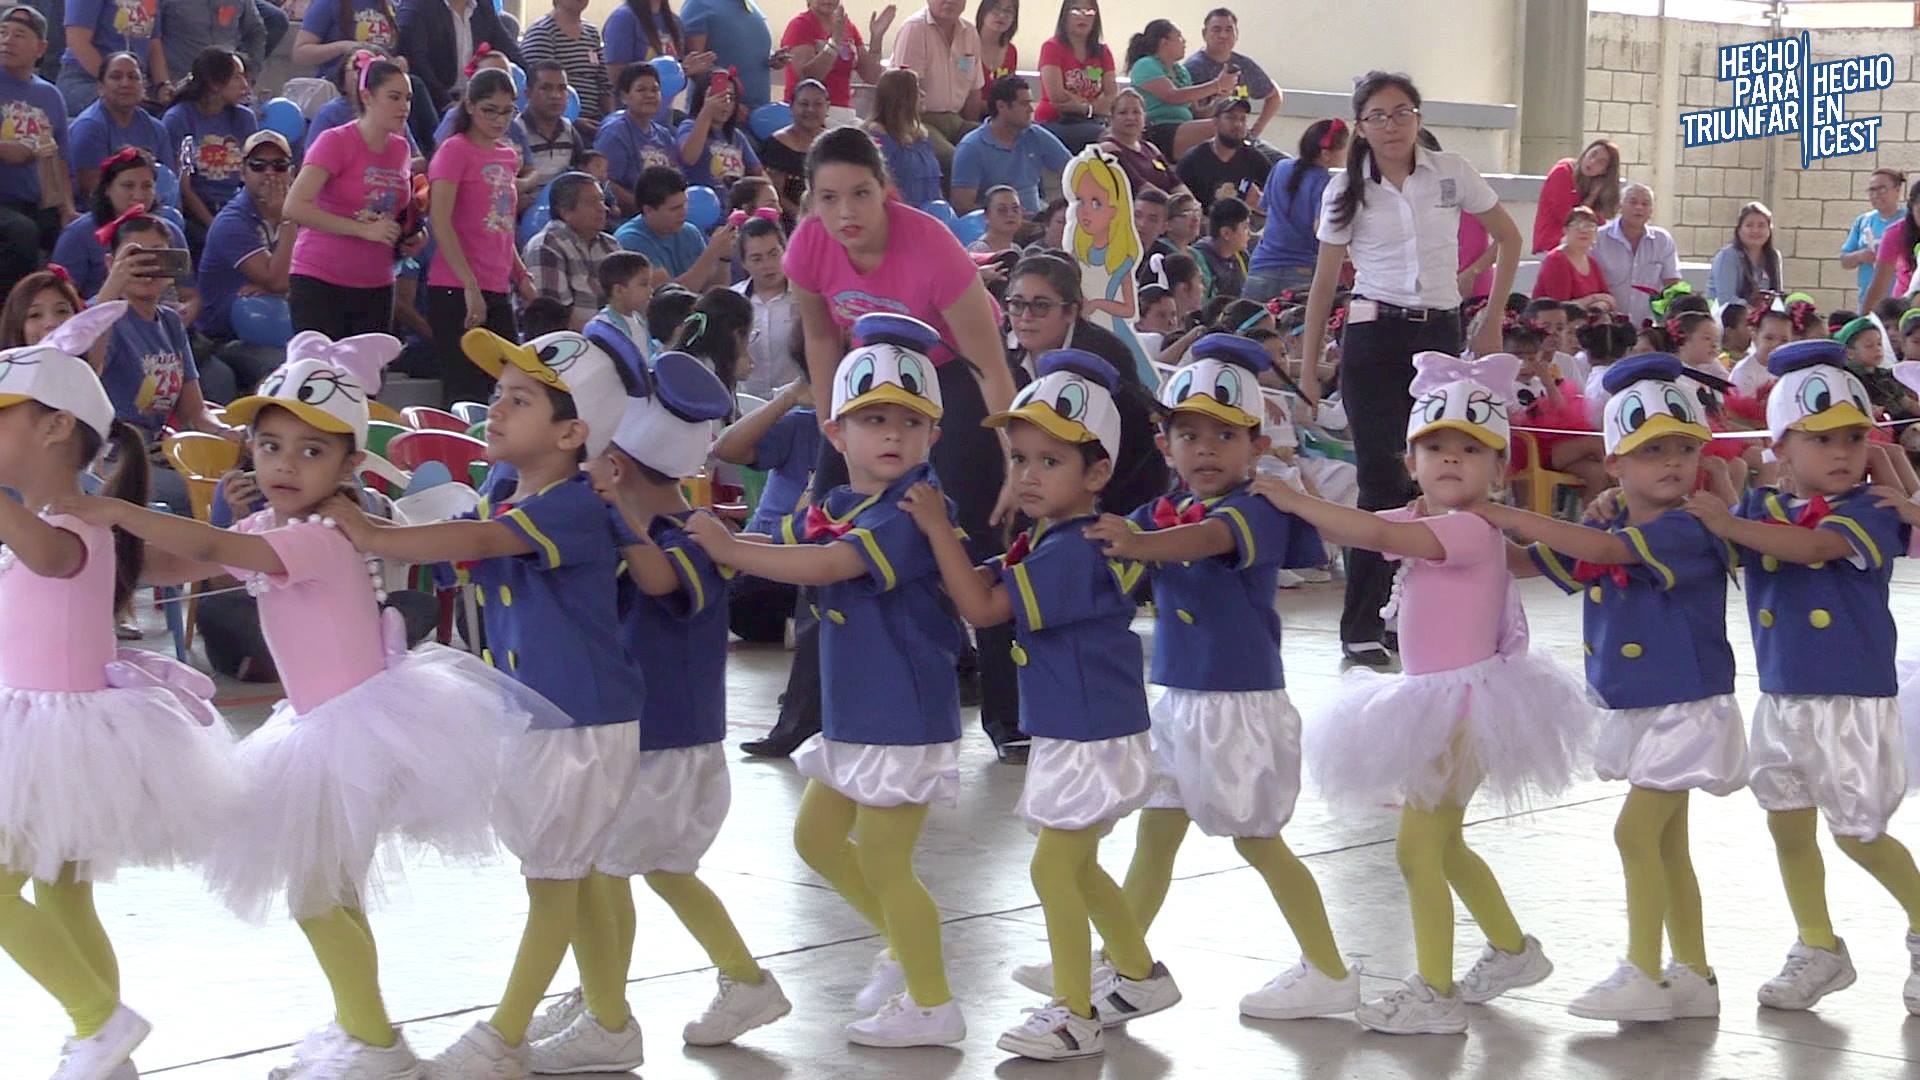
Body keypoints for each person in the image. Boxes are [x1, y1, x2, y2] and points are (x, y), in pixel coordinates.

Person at [67, 334, 550, 1079]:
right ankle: (364, 1031)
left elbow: (206, 546)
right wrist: (84, 552)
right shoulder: (272, 528)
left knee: (317, 900)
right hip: (321, 724)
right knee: (334, 897)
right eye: (269, 447)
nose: (284, 466)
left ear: (349, 465)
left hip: (356, 731)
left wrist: (112, 511)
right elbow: (181, 561)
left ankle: (379, 1045)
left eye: (310, 451)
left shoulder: (322, 538)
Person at [328, 324, 651, 1078]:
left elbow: (472, 545)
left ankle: (501, 1037)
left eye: (521, 400)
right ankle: (609, 1023)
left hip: (580, 722)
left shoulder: (570, 505)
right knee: (573, 875)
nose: (497, 409)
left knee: (554, 881)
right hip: (543, 715)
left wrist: (368, 531)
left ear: (572, 433)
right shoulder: (509, 491)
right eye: (498, 394)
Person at [1263, 351, 1589, 1033]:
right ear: (1411, 462)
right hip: (1442, 703)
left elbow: (1376, 532)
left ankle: (1435, 994)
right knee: (1445, 844)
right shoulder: (1430, 519)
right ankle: (1511, 950)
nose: (1451, 460)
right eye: (1435, 448)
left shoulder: (1468, 528)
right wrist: (1292, 512)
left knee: (1417, 850)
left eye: (1470, 450)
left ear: (1498, 469)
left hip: (1462, 708)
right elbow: (1368, 528)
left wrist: (1293, 499)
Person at [685, 314, 969, 1049]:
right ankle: (904, 946)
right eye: (873, 419)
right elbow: (789, 539)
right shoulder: (845, 504)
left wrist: (731, 552)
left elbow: (828, 565)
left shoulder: (914, 509)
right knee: (816, 839)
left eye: (910, 421)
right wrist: (722, 540)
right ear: (835, 433)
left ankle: (933, 1002)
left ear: (933, 435)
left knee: (884, 860)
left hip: (901, 714)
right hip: (856, 714)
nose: (892, 434)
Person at [1053, 334, 1354, 1026]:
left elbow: (1207, 542)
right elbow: (1105, 542)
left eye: (1224, 435)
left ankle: (1330, 971)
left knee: (1258, 840)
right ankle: (1120, 961)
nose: (1206, 449)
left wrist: (1138, 545)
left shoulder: (1255, 508)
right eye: (1189, 434)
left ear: (1256, 445)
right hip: (1180, 701)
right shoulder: (1163, 510)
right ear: (1165, 445)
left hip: (1237, 706)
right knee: (1154, 836)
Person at [512, 351, 793, 1062]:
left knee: (610, 868)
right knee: (647, 867)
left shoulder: (693, 535)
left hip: (671, 739)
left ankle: (626, 1009)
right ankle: (627, 991)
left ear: (616, 467)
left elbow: (661, 581)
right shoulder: (628, 530)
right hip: (642, 734)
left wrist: (615, 516)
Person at [909, 349, 1177, 1060]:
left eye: (1050, 461)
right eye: (1020, 458)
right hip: (1079, 728)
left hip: (1091, 734)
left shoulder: (1070, 552)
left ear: (1096, 474)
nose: (1028, 475)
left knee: (1052, 870)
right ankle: (1138, 974)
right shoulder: (1050, 538)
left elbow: (984, 610)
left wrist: (936, 530)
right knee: (1077, 865)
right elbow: (991, 580)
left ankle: (1073, 1014)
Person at [0, 301, 232, 1080]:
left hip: (56, 737)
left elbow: (47, 559)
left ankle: (97, 1022)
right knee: (65, 896)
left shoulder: (74, 526)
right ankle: (103, 1048)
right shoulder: (47, 520)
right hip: (39, 727)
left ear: (55, 428)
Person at [1481, 354, 1739, 1023]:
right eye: (1652, 450)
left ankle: (1643, 972)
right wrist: (1447, 538)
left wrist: (1501, 511)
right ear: (1616, 461)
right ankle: (1694, 975)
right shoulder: (1611, 521)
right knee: (1668, 844)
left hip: (1686, 705)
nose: (1673, 462)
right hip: (1641, 702)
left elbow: (1602, 555)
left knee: (1635, 835)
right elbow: (1541, 561)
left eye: (1684, 448)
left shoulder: (1688, 525)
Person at [1682, 340, 1920, 1015]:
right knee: (1786, 824)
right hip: (1782, 694)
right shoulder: (1759, 509)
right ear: (1781, 446)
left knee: (1858, 833)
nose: (1842, 452)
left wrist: (1729, 523)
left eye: (1853, 438)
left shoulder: (1873, 509)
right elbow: (1708, 543)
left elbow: (1814, 547)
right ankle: (1818, 945)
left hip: (1851, 699)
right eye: (1821, 439)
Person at [781, 128, 1019, 761]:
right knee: (824, 523)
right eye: (829, 198)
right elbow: (822, 341)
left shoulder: (932, 245)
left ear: (884, 189)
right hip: (868, 381)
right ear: (811, 200)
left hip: (953, 372)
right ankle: (800, 716)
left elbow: (990, 365)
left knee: (982, 529)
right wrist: (831, 430)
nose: (846, 213)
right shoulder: (809, 245)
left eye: (860, 194)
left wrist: (1013, 463)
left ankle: (1008, 717)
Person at [1299, 70, 1520, 668]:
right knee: (1381, 479)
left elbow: (1509, 238)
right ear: (1361, 127)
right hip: (1373, 335)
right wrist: (1308, 369)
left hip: (1440, 332)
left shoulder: (1451, 172)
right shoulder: (1345, 190)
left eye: (1402, 113)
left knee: (1433, 479)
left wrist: (1491, 317)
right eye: (1377, 116)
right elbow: (1323, 284)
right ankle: (1361, 624)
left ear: (1418, 118)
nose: (1391, 126)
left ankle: (1410, 611)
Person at [285, 52, 415, 339]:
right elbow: (294, 206)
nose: (404, 107)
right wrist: (361, 229)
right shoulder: (335, 141)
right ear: (367, 97)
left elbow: (394, 208)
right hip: (322, 277)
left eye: (408, 98)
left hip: (377, 280)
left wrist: (411, 234)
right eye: (394, 97)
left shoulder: (401, 148)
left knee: (370, 366)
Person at [426, 66, 531, 408]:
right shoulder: (455, 150)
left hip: (497, 284)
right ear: (470, 106)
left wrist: (520, 274)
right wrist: (469, 284)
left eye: (507, 111)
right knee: (465, 391)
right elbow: (440, 221)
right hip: (455, 286)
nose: (499, 120)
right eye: (490, 110)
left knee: (508, 387)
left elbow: (502, 224)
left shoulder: (507, 155)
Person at [192, 131, 292, 385]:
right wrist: (289, 220)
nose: (270, 173)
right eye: (258, 165)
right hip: (225, 338)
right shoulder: (232, 222)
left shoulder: (305, 211)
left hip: (283, 323)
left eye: (279, 165)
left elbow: (312, 276)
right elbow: (279, 280)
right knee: (286, 369)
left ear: (291, 172)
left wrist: (280, 288)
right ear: (243, 172)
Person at [0, 3, 72, 294]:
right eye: (3, 33)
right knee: (22, 233)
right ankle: (11, 311)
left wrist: (67, 209)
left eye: (19, 35)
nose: (7, 40)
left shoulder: (50, 95)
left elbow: (61, 159)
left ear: (40, 48)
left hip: (38, 202)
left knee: (78, 231)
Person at [161, 48, 257, 239]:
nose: (245, 85)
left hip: (235, 207)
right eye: (237, 77)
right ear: (214, 84)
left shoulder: (244, 119)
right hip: (195, 212)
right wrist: (214, 226)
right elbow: (183, 186)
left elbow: (252, 175)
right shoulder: (180, 119)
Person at [1245, 118, 1345, 302]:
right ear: (1326, 154)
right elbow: (1320, 229)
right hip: (1301, 270)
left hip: (1262, 264)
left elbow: (1265, 206)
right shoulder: (1325, 183)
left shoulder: (1281, 167)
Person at [887, 0, 982, 174]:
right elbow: (903, 90)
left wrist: (974, 134)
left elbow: (975, 91)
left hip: (956, 120)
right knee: (952, 159)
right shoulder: (915, 28)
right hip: (918, 119)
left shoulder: (970, 32)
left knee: (992, 145)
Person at [950, 74, 1068, 214]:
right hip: (997, 224)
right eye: (1024, 104)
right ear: (1001, 106)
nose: (1031, 110)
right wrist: (1009, 216)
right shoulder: (971, 147)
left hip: (1037, 219)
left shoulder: (1035, 134)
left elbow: (1072, 169)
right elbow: (962, 205)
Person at [63, 50, 171, 202]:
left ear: (144, 87)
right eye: (116, 77)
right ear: (100, 87)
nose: (125, 83)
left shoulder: (157, 129)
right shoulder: (89, 127)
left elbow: (168, 186)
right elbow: (93, 193)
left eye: (133, 77)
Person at [1124, 18, 1233, 161]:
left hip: (1183, 128)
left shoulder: (1182, 72)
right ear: (1164, 42)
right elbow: (1172, 96)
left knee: (1230, 124)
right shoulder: (1145, 64)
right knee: (1224, 128)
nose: (1184, 41)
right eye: (1179, 37)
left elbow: (1197, 113)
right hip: (1157, 129)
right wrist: (1216, 85)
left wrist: (1220, 99)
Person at [614, 164, 736, 288]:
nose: (684, 212)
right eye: (675, 208)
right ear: (648, 210)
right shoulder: (630, 240)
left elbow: (713, 288)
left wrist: (724, 259)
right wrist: (711, 252)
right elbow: (665, 295)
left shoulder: (690, 232)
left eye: (685, 204)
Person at [526, 171, 618, 332]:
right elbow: (552, 321)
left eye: (602, 200)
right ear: (565, 212)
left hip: (611, 336)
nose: (603, 208)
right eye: (592, 202)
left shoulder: (610, 245)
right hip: (568, 343)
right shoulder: (547, 246)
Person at [395, 0, 522, 113]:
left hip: (472, 100)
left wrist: (532, 79)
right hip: (433, 102)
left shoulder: (482, 5)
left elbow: (508, 47)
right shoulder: (417, 5)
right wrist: (449, 103)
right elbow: (417, 63)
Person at [604, 0, 713, 128]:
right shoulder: (623, 18)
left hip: (663, 123)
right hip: (631, 124)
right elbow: (616, 77)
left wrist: (690, 71)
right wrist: (679, 71)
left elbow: (675, 79)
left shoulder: (674, 22)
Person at [1181, 8, 1280, 149]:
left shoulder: (1244, 65)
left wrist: (1255, 131)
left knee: (1285, 161)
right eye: (1216, 30)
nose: (1223, 35)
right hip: (1208, 145)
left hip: (1242, 140)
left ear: (1236, 34)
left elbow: (1274, 95)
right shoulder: (1192, 69)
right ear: (1204, 34)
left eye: (1229, 30)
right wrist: (1220, 95)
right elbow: (1193, 116)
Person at [779, 0, 890, 124]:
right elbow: (808, 78)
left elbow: (872, 76)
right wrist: (834, 44)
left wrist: (877, 37)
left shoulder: (847, 26)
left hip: (846, 113)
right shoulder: (800, 25)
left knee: (876, 134)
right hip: (810, 113)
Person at [594, 62, 678, 217]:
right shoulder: (614, 133)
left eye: (655, 90)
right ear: (624, 97)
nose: (650, 95)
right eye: (641, 90)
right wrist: (646, 210)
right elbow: (606, 183)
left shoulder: (664, 135)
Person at [56, 0, 170, 114]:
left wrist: (163, 86)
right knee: (128, 109)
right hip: (85, 79)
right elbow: (77, 40)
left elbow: (154, 45)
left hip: (133, 82)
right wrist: (114, 82)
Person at [1591, 181, 1680, 328]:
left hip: (1648, 327)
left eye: (1645, 204)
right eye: (1633, 202)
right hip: (1606, 325)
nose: (1639, 208)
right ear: (1620, 206)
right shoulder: (1598, 238)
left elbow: (1672, 283)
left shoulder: (1662, 240)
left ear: (1651, 211)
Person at [731, 214, 800, 397]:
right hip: (747, 404)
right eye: (757, 259)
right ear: (743, 263)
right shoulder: (733, 301)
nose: (768, 265)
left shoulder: (806, 298)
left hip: (798, 401)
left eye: (773, 254)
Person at [518, 0, 610, 135]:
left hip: (595, 120)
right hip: (557, 123)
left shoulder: (592, 32)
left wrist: (610, 119)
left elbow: (604, 84)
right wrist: (573, 121)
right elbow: (539, 87)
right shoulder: (542, 32)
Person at [1034, 0, 1113, 153]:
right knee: (1104, 138)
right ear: (1065, 16)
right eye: (1076, 11)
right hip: (1055, 120)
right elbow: (1056, 95)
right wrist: (1094, 107)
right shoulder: (1051, 47)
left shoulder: (1103, 52)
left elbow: (1112, 96)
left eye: (1089, 12)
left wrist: (1085, 109)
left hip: (1093, 120)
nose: (1082, 17)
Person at [1175, 90, 1265, 212]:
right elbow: (1179, 205)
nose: (1238, 124)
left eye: (1243, 119)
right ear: (1215, 122)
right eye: (1231, 118)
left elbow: (1277, 189)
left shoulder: (1253, 157)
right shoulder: (1193, 160)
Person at [866, 67, 942, 208]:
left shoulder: (921, 137)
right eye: (917, 90)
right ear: (901, 97)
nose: (923, 94)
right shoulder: (878, 137)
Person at [681, 0, 778, 110]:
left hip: (759, 111)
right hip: (720, 113)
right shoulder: (699, 4)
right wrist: (731, 105)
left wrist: (772, 59)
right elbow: (696, 67)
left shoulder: (750, 4)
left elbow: (744, 50)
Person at [1531, 138, 1620, 253]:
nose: (1592, 161)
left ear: (1605, 171)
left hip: (1582, 249)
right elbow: (1570, 220)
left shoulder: (1596, 184)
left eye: (1600, 162)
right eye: (1593, 154)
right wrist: (1591, 198)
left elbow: (1599, 225)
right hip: (1552, 247)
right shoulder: (1562, 172)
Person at [676, 67, 760, 189]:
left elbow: (758, 172)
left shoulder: (736, 135)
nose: (725, 103)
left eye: (731, 98)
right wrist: (706, 113)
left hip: (733, 198)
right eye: (717, 97)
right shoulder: (689, 126)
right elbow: (689, 158)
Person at [1098, 88, 1186, 202]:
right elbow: (1139, 186)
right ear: (1111, 118)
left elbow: (1175, 182)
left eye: (1136, 112)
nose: (1130, 117)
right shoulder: (1108, 148)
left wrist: (1192, 203)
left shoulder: (1151, 148)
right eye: (1123, 113)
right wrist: (1175, 206)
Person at [159, 0, 266, 91]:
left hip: (228, 86)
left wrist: (250, 74)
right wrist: (162, 83)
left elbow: (256, 31)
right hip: (182, 85)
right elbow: (153, 37)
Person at [519, 61, 587, 196]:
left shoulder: (570, 131)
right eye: (546, 88)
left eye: (562, 88)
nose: (555, 95)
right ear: (528, 93)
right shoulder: (516, 131)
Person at [1840, 169, 1906, 309]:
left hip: (1900, 302)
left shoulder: (1909, 221)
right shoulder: (1863, 221)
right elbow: (1844, 260)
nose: (1876, 195)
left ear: (1897, 190)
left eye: (1882, 189)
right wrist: (1860, 256)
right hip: (1868, 301)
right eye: (1872, 190)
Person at [761, 77, 825, 220]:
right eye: (804, 104)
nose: (810, 110)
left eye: (818, 104)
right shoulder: (777, 144)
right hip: (790, 220)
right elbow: (776, 194)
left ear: (827, 107)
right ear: (791, 107)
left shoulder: (833, 143)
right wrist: (806, 219)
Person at [1532, 205, 1614, 309]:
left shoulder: (1591, 261)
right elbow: (1560, 308)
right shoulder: (1557, 260)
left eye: (1590, 226)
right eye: (1577, 225)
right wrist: (1594, 299)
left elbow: (1609, 299)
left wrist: (1599, 306)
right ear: (1565, 230)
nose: (1584, 231)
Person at [1708, 200, 1783, 305]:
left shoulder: (1774, 256)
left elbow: (1778, 296)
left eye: (1761, 225)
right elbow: (1726, 299)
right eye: (1749, 225)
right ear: (1739, 230)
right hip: (1730, 313)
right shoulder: (1728, 256)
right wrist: (1754, 312)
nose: (1755, 230)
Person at [1861, 178, 1920, 311]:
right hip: (1904, 306)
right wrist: (1865, 320)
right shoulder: (1896, 233)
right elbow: (1879, 285)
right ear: (1911, 207)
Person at [595, 249, 654, 350]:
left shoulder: (639, 320)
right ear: (618, 290)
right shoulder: (605, 326)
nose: (651, 290)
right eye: (643, 284)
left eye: (650, 284)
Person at [1192, 194, 1249, 300]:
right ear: (1226, 233)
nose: (1249, 233)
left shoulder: (1241, 256)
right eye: (1245, 228)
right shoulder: (1200, 258)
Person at [969, 183, 1021, 253]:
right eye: (1002, 209)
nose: (1010, 214)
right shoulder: (978, 251)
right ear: (986, 216)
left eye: (1015, 208)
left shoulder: (1016, 249)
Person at [975, 0, 1015, 82]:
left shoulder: (1011, 51)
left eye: (1009, 11)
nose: (1002, 15)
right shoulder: (966, 43)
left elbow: (1010, 87)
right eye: (996, 8)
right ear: (983, 11)